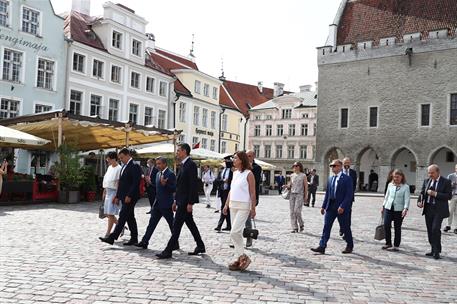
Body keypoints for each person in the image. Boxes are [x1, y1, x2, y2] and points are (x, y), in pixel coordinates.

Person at [156, 143, 205, 259]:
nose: (177, 153)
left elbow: (193, 185)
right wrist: (175, 201)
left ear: (184, 151)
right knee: (190, 224)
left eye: (178, 150)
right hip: (181, 201)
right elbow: (180, 186)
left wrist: (190, 203)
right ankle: (200, 245)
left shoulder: (191, 165)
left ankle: (168, 251)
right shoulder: (183, 165)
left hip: (185, 202)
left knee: (176, 226)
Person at [99, 148, 142, 246]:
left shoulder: (134, 166)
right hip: (123, 196)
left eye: (122, 157)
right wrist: (118, 196)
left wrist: (129, 195)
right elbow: (122, 183)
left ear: (127, 155)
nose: (121, 159)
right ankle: (134, 238)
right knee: (130, 217)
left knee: (122, 216)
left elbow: (135, 183)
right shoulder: (124, 166)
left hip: (130, 197)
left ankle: (112, 237)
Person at [311, 159, 354, 254]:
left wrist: (343, 206)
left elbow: (349, 195)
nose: (332, 167)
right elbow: (328, 194)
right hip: (331, 206)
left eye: (334, 166)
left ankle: (349, 245)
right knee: (326, 226)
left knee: (345, 227)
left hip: (342, 208)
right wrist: (323, 206)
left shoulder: (347, 179)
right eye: (331, 166)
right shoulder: (331, 178)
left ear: (340, 166)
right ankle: (322, 246)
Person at [223, 151, 257, 271]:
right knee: (235, 233)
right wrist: (226, 205)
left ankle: (243, 256)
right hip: (233, 205)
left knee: (234, 232)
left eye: (235, 158)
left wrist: (253, 208)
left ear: (241, 160)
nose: (233, 160)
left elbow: (253, 192)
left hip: (244, 206)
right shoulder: (235, 173)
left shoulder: (249, 174)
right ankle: (239, 258)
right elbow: (231, 190)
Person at [135, 157, 177, 249]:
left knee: (172, 225)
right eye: (157, 164)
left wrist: (165, 184)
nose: (157, 165)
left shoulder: (170, 174)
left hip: (166, 204)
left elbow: (174, 189)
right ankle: (144, 241)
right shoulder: (158, 174)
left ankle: (175, 243)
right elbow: (157, 188)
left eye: (159, 164)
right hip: (157, 204)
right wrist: (149, 182)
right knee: (151, 224)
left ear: (165, 164)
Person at [417, 164, 452, 259]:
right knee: (430, 230)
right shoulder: (426, 181)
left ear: (438, 172)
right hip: (428, 209)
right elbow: (422, 193)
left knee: (435, 229)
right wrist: (420, 202)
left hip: (439, 210)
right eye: (429, 173)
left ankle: (437, 251)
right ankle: (433, 249)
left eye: (432, 173)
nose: (430, 175)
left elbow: (448, 196)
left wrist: (435, 194)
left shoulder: (446, 182)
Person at [381, 169, 410, 251]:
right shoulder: (390, 185)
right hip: (388, 207)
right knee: (386, 225)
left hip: (399, 209)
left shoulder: (406, 187)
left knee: (397, 227)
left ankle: (396, 244)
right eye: (394, 177)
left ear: (402, 177)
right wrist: (383, 206)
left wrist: (405, 208)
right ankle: (388, 243)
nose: (396, 179)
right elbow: (387, 196)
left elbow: (407, 199)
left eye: (397, 177)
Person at [101, 152, 122, 238]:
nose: (107, 160)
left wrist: (117, 196)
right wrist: (104, 191)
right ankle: (120, 227)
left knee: (110, 214)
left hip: (114, 192)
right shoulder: (109, 167)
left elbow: (118, 183)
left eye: (108, 159)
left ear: (113, 159)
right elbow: (107, 180)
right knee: (107, 213)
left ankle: (108, 233)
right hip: (108, 191)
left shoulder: (119, 168)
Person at [286, 162, 308, 233]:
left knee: (297, 211)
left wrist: (306, 196)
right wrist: (287, 186)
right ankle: (294, 227)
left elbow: (306, 186)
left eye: (296, 166)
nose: (295, 167)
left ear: (300, 167)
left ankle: (301, 224)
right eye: (294, 166)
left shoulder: (303, 175)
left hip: (299, 194)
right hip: (292, 194)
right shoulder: (292, 175)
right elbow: (290, 184)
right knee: (292, 212)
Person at [245, 150, 261, 247]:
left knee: (247, 219)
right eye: (246, 156)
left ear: (253, 156)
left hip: (250, 197)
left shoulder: (257, 168)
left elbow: (255, 181)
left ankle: (249, 238)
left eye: (250, 156)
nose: (248, 157)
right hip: (241, 196)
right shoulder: (242, 167)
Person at [215, 157, 233, 231]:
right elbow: (216, 181)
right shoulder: (222, 171)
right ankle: (229, 225)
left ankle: (219, 225)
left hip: (228, 192)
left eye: (228, 161)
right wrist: (223, 181)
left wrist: (228, 181)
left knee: (224, 207)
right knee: (226, 209)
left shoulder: (232, 171)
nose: (226, 162)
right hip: (222, 191)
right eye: (226, 161)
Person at [341, 157, 357, 238]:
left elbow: (354, 185)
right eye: (345, 163)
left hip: (349, 197)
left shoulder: (353, 173)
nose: (347, 164)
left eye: (348, 163)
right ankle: (342, 228)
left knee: (348, 214)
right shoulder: (339, 172)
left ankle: (346, 231)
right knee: (340, 213)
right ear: (342, 164)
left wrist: (350, 194)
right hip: (340, 197)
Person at [444, 164, 457, 234]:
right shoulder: (450, 176)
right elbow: (446, 186)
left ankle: (456, 227)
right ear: (455, 169)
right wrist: (452, 184)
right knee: (450, 211)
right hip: (452, 195)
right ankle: (448, 225)